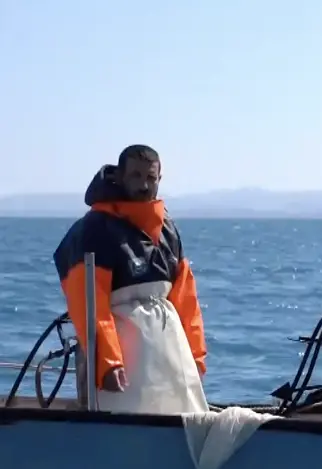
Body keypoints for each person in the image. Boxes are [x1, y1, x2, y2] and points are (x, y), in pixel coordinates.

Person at [53, 144, 209, 414]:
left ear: (160, 179)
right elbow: (89, 302)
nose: (144, 185)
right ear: (120, 177)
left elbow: (186, 298)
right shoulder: (95, 228)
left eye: (150, 178)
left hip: (170, 349)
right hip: (125, 356)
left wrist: (195, 354)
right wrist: (108, 362)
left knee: (184, 417)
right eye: (136, 176)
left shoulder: (167, 229)